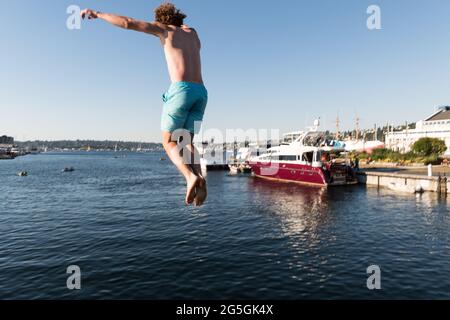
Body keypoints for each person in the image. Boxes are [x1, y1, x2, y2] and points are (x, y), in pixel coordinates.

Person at [81, 3, 208, 206]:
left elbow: (127, 23)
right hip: (201, 92)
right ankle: (199, 176)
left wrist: (97, 14)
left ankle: (189, 177)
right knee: (187, 141)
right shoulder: (193, 33)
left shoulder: (164, 30)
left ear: (162, 20)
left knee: (169, 142)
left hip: (181, 90)